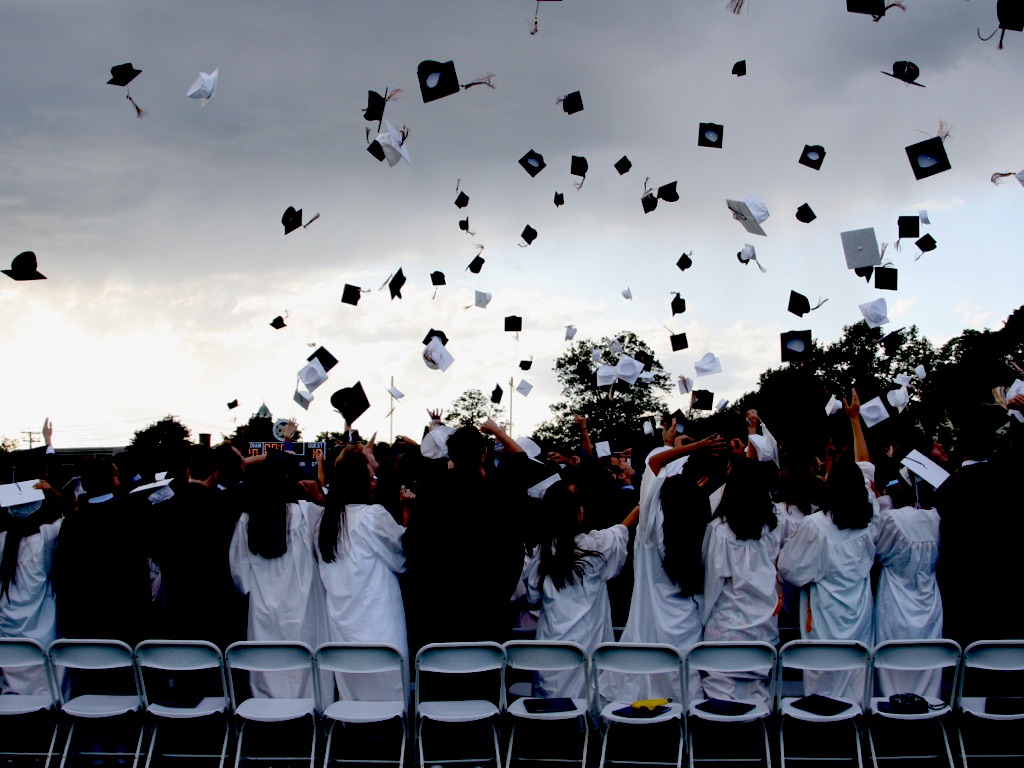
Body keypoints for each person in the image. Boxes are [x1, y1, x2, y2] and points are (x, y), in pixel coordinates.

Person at [612, 419, 726, 701]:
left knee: (650, 683)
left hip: (651, 623)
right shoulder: (706, 525)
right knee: (684, 688)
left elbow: (653, 464)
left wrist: (682, 446)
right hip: (687, 623)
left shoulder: (651, 528)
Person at [777, 390, 880, 701]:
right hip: (859, 610)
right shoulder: (870, 519)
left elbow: (789, 569)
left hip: (824, 613)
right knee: (856, 677)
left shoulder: (816, 525)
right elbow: (865, 466)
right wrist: (854, 421)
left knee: (825, 682)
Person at [524, 481, 638, 697]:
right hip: (589, 642)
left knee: (554, 706)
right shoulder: (595, 545)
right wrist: (642, 504)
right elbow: (620, 530)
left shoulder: (543, 554)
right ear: (578, 513)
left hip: (552, 646)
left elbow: (532, 598)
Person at [229, 451, 328, 699]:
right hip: (303, 602)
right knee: (303, 661)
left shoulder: (248, 519)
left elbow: (239, 569)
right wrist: (320, 496)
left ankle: (269, 709)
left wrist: (253, 592)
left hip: (264, 603)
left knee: (269, 661)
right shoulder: (307, 513)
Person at [317, 444, 408, 701]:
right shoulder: (372, 516)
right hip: (378, 619)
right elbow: (402, 557)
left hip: (342, 621)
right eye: (371, 476)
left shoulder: (325, 521)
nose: (375, 479)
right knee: (387, 689)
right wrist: (406, 513)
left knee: (353, 691)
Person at [700, 458, 781, 706]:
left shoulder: (719, 531)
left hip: (728, 626)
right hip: (764, 624)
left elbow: (712, 582)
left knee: (722, 696)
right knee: (758, 694)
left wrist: (702, 618)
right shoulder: (773, 528)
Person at [52, 456, 152, 646]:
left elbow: (63, 570)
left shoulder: (73, 521)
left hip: (85, 616)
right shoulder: (131, 512)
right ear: (112, 479)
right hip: (126, 615)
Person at [873, 467, 942, 697]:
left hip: (896, 597)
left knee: (894, 663)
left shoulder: (892, 519)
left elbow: (879, 551)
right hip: (929, 598)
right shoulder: (936, 518)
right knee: (927, 660)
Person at [0, 477, 64, 695]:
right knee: (49, 679)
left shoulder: (2, 542)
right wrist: (53, 492)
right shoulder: (46, 538)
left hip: (8, 623)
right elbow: (74, 517)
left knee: (15, 669)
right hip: (44, 625)